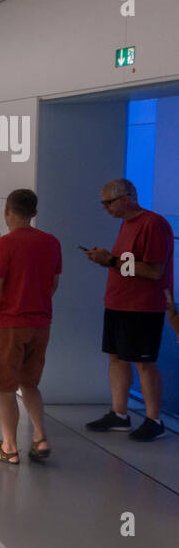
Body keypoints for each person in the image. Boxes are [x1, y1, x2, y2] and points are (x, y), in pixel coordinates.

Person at [0, 191, 62, 464]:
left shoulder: (4, 245)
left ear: (7, 210)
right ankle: (40, 438)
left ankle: (8, 447)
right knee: (30, 384)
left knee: (5, 388)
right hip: (41, 323)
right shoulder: (51, 242)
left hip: (11, 324)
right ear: (34, 212)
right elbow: (54, 283)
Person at [84, 178, 174, 442]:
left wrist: (110, 260)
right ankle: (119, 413)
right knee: (116, 357)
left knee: (143, 362)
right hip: (119, 302)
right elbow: (128, 264)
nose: (104, 208)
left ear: (126, 198)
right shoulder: (128, 224)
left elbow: (154, 271)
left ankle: (153, 419)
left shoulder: (153, 224)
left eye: (107, 202)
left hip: (142, 307)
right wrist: (109, 261)